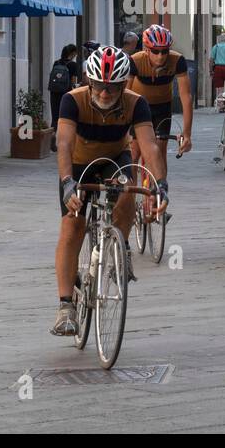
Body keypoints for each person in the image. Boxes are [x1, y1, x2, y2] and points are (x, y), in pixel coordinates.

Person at [52, 46, 167, 337]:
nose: (105, 93)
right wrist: (67, 183)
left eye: (113, 87)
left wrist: (160, 185)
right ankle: (66, 307)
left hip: (116, 158)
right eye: (100, 87)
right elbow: (63, 143)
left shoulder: (135, 103)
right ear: (90, 83)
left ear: (122, 84)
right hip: (78, 163)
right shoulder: (72, 101)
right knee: (72, 223)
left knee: (128, 189)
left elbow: (150, 146)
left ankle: (121, 245)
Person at [128, 24, 193, 160]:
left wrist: (186, 133)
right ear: (146, 50)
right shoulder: (135, 61)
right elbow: (125, 94)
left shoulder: (177, 60)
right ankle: (132, 182)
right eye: (155, 51)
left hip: (162, 107)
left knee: (159, 151)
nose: (160, 56)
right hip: (139, 107)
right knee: (134, 153)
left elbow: (186, 97)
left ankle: (159, 182)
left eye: (165, 51)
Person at [47, 44, 79, 152]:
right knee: (65, 118)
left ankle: (52, 135)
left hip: (54, 92)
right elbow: (73, 81)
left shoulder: (56, 63)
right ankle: (62, 141)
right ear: (72, 53)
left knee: (55, 117)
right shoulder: (73, 65)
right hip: (66, 94)